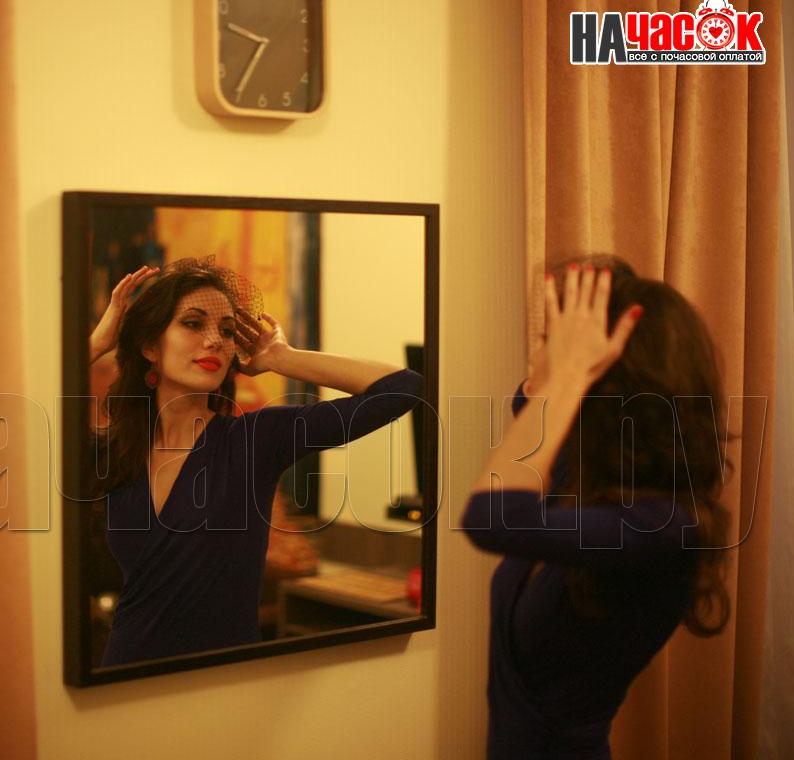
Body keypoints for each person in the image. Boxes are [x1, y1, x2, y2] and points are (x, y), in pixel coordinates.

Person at [88, 257, 423, 666]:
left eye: (227, 330)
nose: (214, 340)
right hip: (124, 678)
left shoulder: (257, 439)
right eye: (193, 324)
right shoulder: (113, 451)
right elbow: (18, 428)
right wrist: (96, 345)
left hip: (231, 682)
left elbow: (402, 388)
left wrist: (282, 357)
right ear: (150, 347)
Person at [461, 256, 732, 758]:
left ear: (609, 381)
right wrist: (564, 370)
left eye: (549, 343)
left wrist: (567, 375)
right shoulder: (585, 479)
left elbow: (491, 517)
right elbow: (527, 406)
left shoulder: (664, 528)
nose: (538, 355)